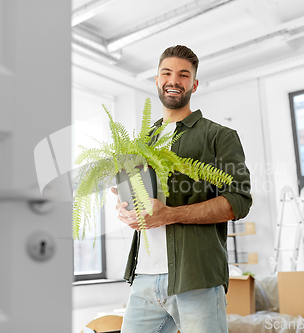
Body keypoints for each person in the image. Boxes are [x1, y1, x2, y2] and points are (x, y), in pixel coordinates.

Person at [111, 45, 252, 333]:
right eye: (167, 73)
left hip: (196, 278)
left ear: (194, 84)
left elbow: (239, 201)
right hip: (144, 279)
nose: (173, 80)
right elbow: (141, 204)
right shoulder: (139, 144)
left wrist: (171, 214)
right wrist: (127, 212)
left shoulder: (219, 136)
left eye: (183, 74)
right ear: (156, 80)